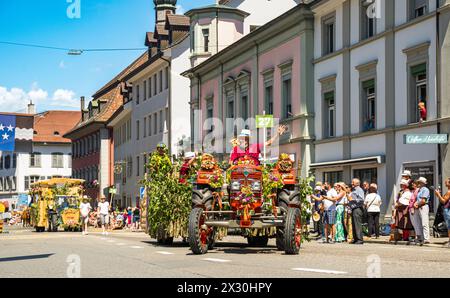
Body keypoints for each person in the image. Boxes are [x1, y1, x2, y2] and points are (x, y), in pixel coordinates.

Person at [394, 180, 414, 244]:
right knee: (404, 223)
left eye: (402, 185)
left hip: (404, 208)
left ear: (405, 186)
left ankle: (406, 237)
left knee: (405, 223)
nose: (401, 186)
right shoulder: (402, 192)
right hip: (402, 208)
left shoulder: (407, 193)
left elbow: (401, 201)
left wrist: (396, 205)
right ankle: (404, 236)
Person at [434, 178, 450, 247]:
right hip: (447, 209)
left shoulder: (449, 192)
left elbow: (443, 201)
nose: (445, 182)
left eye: (446, 182)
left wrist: (438, 195)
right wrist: (438, 195)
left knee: (449, 226)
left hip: (447, 210)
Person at [349, 178, 365, 244]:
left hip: (358, 208)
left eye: (353, 182)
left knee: (357, 224)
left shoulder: (359, 190)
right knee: (354, 224)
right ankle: (355, 239)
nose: (352, 183)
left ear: (357, 183)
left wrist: (353, 200)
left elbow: (361, 199)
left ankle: (359, 239)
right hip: (354, 208)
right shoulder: (354, 190)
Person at [415, 177, 430, 244]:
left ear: (422, 183)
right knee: (419, 223)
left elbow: (423, 200)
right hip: (419, 207)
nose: (417, 183)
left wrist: (417, 204)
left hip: (423, 207)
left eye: (419, 182)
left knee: (424, 223)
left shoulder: (425, 189)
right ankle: (421, 238)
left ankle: (426, 239)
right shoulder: (420, 190)